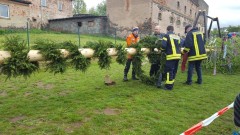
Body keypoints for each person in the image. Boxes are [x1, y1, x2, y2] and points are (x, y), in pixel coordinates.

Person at [157, 25, 181, 90]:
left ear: (167, 30)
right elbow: (179, 45)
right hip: (178, 56)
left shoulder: (166, 36)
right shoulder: (177, 36)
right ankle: (172, 84)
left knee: (169, 71)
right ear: (173, 30)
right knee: (174, 71)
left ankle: (168, 86)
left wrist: (161, 50)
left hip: (171, 56)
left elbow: (163, 45)